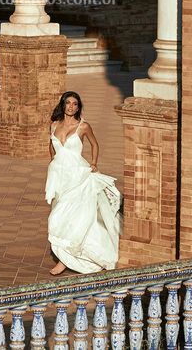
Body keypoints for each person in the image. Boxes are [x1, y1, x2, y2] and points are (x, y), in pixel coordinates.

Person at [45, 90, 122, 275]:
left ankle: (66, 260)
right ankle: (64, 256)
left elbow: (95, 144)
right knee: (59, 213)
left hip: (77, 175)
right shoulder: (54, 124)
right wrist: (53, 163)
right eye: (68, 103)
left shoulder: (83, 126)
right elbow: (51, 145)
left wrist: (94, 163)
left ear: (78, 107)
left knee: (69, 216)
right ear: (63, 104)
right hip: (58, 175)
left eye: (75, 104)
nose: (71, 107)